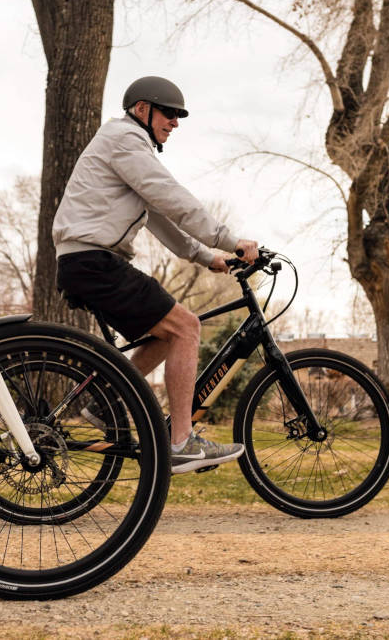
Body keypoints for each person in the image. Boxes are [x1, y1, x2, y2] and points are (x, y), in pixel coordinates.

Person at [53, 76, 260, 474]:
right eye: (170, 113)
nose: (176, 123)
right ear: (143, 109)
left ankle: (103, 400)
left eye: (179, 117)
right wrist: (230, 240)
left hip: (90, 260)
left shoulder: (128, 146)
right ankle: (180, 442)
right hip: (93, 260)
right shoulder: (125, 140)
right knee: (186, 327)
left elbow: (160, 217)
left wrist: (208, 257)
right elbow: (172, 197)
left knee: (168, 333)